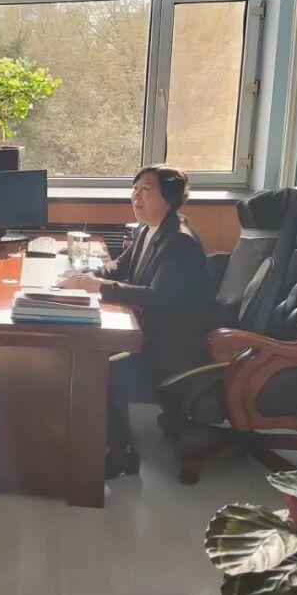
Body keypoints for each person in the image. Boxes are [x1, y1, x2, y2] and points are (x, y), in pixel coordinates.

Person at [57, 165, 214, 479]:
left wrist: (99, 287)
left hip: (173, 347)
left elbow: (157, 297)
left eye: (146, 190)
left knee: (100, 366)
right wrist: (85, 276)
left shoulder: (179, 241)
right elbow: (120, 267)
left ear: (168, 197)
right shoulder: (148, 229)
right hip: (152, 331)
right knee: (90, 352)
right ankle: (94, 440)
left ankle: (121, 454)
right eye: (135, 189)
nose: (135, 196)